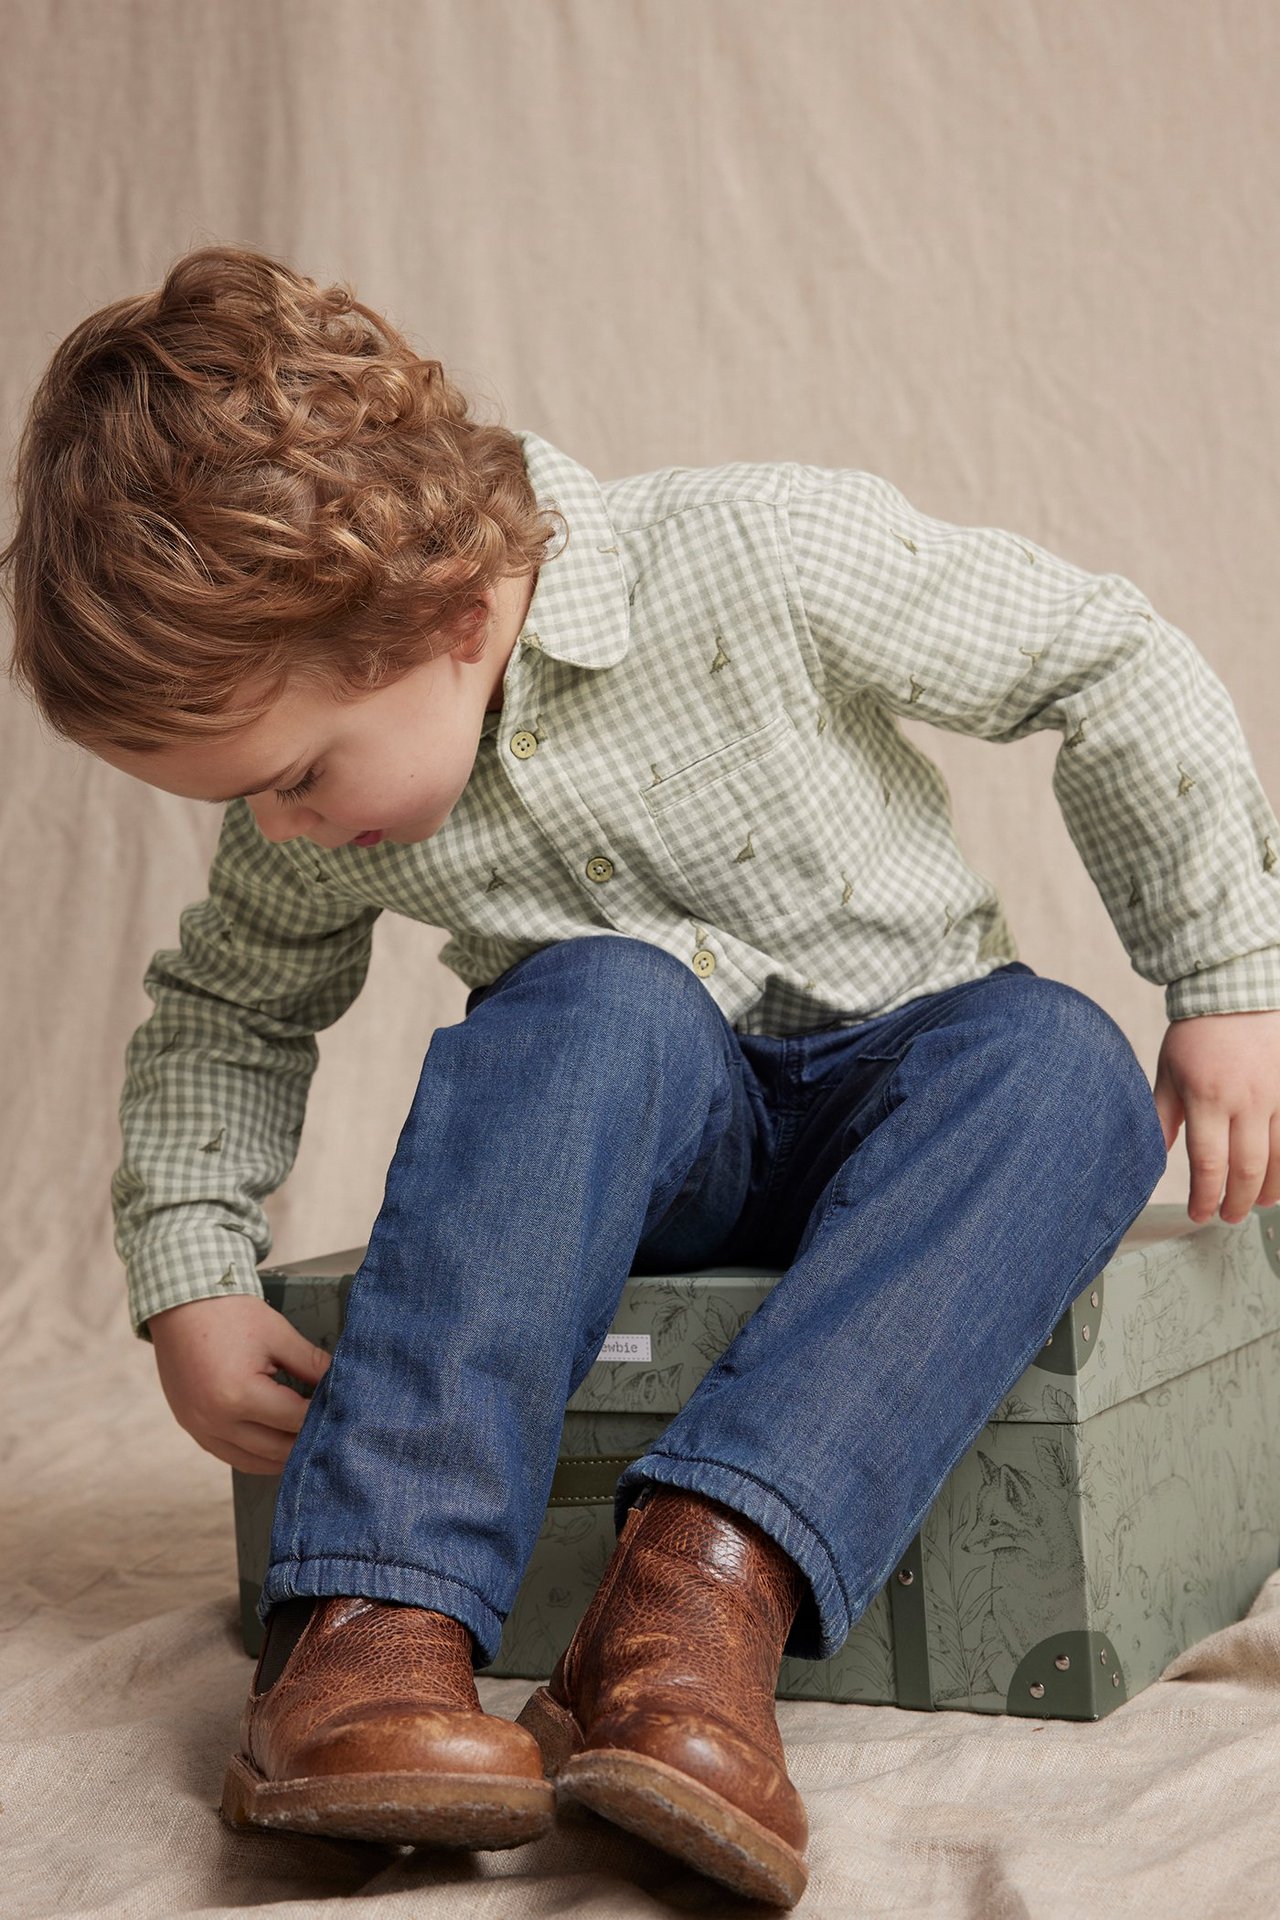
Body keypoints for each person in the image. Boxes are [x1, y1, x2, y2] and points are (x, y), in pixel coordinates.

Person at [5, 243, 1280, 1909]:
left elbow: (1105, 661)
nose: (278, 827)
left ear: (454, 616)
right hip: (632, 1149)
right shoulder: (331, 800)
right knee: (596, 998)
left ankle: (690, 1608)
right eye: (245, 797)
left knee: (1061, 1063)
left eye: (298, 774)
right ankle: (370, 1633)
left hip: (899, 1105)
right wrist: (188, 1269)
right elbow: (229, 1008)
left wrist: (1225, 975)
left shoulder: (762, 552)